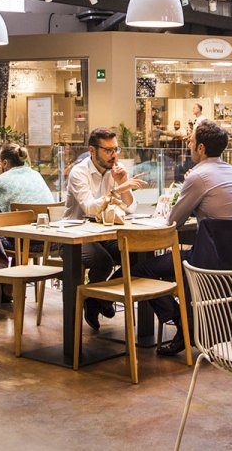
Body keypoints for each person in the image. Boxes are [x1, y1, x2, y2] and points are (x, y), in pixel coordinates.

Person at [136, 121, 232, 356]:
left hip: (206, 261)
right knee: (170, 263)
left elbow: (173, 222)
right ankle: (188, 324)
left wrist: (190, 184)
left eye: (190, 141)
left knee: (141, 270)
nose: (188, 144)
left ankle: (182, 324)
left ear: (201, 148)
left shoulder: (198, 176)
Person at [64, 127, 147, 330]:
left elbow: (130, 209)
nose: (114, 155)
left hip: (102, 233)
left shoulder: (114, 172)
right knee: (103, 261)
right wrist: (116, 189)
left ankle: (96, 299)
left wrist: (123, 182)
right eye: (108, 150)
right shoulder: (79, 173)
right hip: (75, 236)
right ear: (92, 151)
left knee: (136, 255)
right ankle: (96, 298)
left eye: (115, 149)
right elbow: (89, 209)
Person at [0, 143, 53, 214]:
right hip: (47, 221)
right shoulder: (36, 174)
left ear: (5, 163)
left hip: (20, 223)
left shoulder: (0, 180)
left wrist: (1, 175)